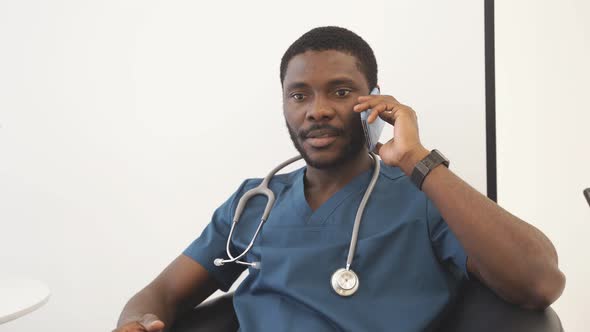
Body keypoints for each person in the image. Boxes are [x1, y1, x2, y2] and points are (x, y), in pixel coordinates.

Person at [114, 26, 565, 332]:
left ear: (373, 98)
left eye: (342, 91)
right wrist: (136, 322)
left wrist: (417, 159)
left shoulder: (422, 196)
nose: (318, 109)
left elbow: (538, 282)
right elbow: (162, 293)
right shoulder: (254, 202)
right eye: (299, 95)